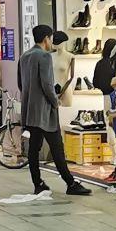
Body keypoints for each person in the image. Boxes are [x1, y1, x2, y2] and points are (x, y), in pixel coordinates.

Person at [16, 25, 90, 198]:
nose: (52, 43)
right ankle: (70, 183)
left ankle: (38, 183)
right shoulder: (44, 57)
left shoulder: (24, 56)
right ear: (46, 39)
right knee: (57, 147)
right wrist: (54, 101)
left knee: (34, 148)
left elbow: (21, 83)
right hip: (45, 110)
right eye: (50, 38)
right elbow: (47, 84)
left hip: (30, 108)